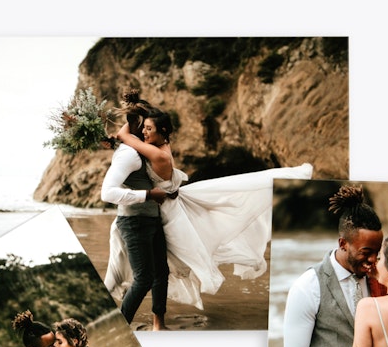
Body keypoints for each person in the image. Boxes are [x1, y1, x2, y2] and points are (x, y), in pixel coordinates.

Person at [103, 90, 314, 317]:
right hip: (153, 212)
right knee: (158, 270)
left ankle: (142, 316)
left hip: (163, 211)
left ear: (162, 131)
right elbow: (128, 135)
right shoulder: (148, 147)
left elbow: (125, 136)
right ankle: (146, 317)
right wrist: (134, 112)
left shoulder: (157, 154)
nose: (144, 133)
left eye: (149, 128)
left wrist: (121, 133)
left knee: (168, 266)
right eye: (143, 127)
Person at [282, 184, 386, 347]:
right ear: (343, 243)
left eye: (378, 252)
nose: (373, 260)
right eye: (366, 252)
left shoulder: (379, 278)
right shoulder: (308, 285)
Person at [100, 93, 171, 330]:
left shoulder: (142, 148)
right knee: (144, 279)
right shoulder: (129, 154)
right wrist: (148, 195)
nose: (148, 130)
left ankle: (158, 324)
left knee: (162, 272)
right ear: (139, 127)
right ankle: (121, 328)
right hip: (134, 222)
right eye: (146, 125)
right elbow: (107, 193)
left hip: (152, 219)